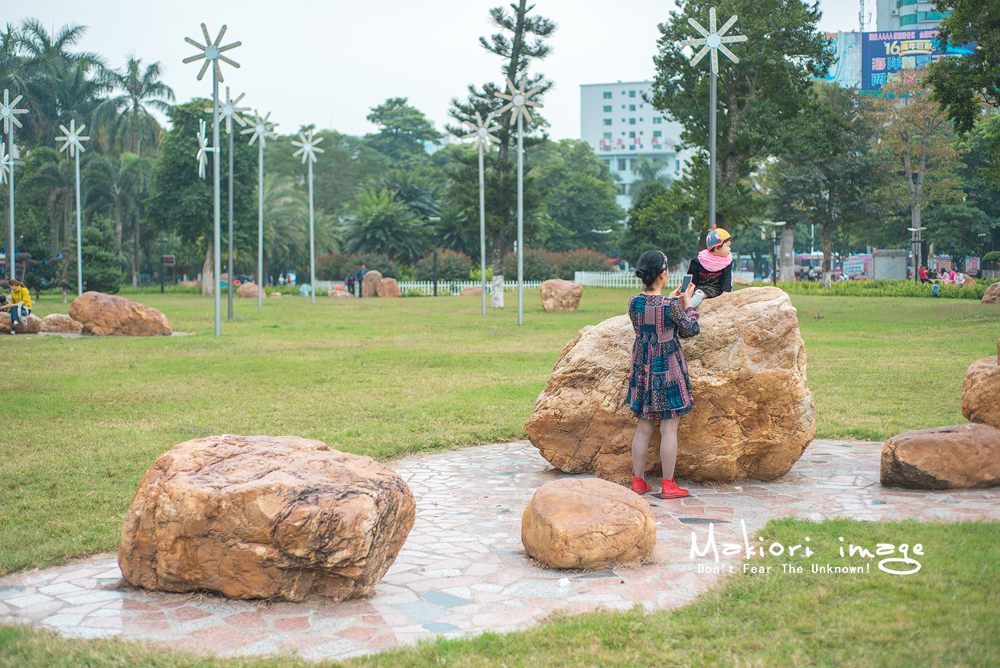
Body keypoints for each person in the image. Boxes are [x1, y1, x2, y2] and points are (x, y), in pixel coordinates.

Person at [627, 250, 700, 500]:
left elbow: (652, 313)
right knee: (669, 429)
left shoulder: (634, 303)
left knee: (643, 428)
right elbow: (690, 329)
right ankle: (668, 485)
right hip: (667, 370)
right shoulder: (671, 307)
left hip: (643, 370)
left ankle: (638, 482)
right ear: (664, 274)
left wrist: (671, 302)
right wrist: (687, 304)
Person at [687, 227, 733, 308]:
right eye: (727, 246)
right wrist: (685, 293)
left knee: (699, 293)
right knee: (699, 294)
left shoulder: (727, 262)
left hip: (718, 290)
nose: (730, 249)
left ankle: (688, 307)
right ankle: (688, 308)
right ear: (716, 248)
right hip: (700, 289)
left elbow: (727, 280)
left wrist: (725, 293)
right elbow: (690, 280)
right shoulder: (698, 261)